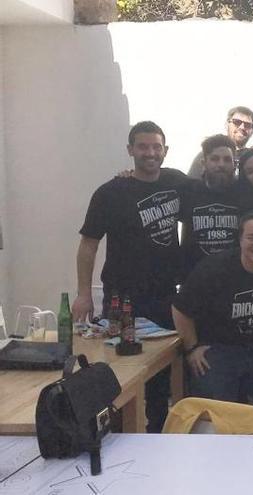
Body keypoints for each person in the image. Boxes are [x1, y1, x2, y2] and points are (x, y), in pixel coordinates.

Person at [73, 121, 189, 432]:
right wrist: (84, 293)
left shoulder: (179, 183)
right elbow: (88, 245)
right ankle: (120, 431)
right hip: (121, 295)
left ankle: (157, 431)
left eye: (156, 147)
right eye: (143, 146)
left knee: (162, 369)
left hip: (166, 293)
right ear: (130, 151)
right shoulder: (110, 192)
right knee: (120, 365)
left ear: (165, 150)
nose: (150, 153)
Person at [173, 211, 253, 430]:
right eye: (251, 237)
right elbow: (180, 309)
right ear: (240, 240)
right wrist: (192, 348)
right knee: (211, 401)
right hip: (220, 347)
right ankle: (213, 453)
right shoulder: (214, 268)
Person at [180, 134, 242, 277]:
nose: (221, 164)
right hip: (196, 277)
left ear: (235, 164)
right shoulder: (188, 191)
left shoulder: (244, 192)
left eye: (227, 160)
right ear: (204, 163)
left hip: (234, 278)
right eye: (214, 159)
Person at [188, 106, 253, 178]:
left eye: (247, 125)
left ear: (252, 131)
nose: (242, 127)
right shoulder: (206, 154)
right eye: (237, 122)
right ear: (227, 125)